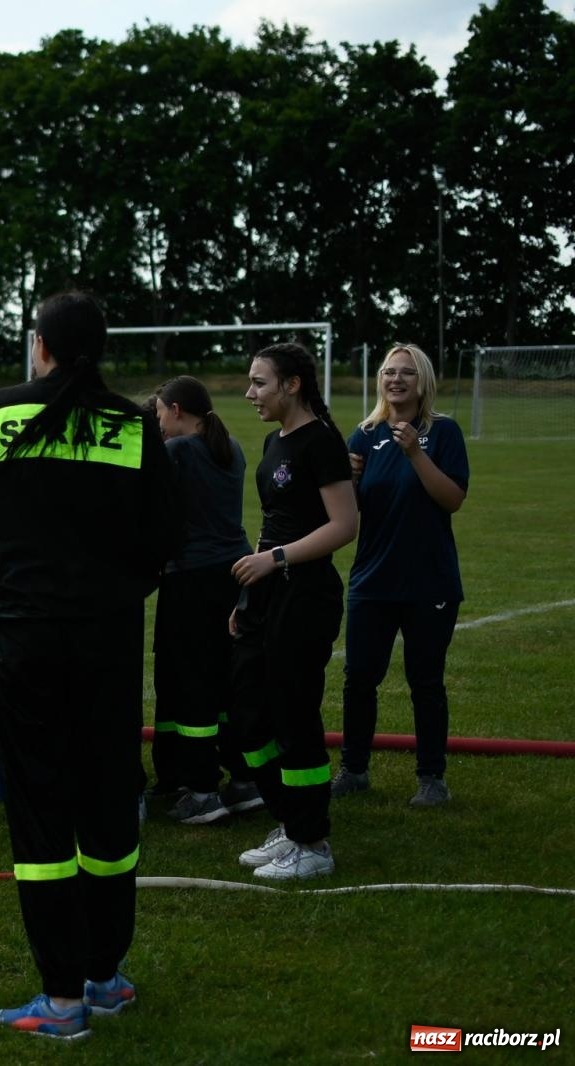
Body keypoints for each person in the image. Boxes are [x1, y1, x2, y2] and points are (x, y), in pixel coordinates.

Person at [0, 291, 181, 1040]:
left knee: (41, 811)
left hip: (24, 643)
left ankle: (60, 1000)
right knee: (109, 804)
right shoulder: (133, 423)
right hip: (108, 643)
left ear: (43, 347)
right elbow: (161, 541)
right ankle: (104, 976)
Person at [230, 342, 358, 881]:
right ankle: (288, 820)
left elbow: (343, 526)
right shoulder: (271, 441)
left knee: (294, 715)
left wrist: (275, 560)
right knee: (246, 710)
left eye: (260, 383)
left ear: (292, 385)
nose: (249, 393)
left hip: (306, 595)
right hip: (267, 593)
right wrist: (247, 597)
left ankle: (313, 842)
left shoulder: (322, 442)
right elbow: (273, 521)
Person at [334, 343, 468, 807]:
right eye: (389, 372)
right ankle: (353, 769)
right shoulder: (364, 435)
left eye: (406, 373)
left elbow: (452, 499)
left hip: (430, 581)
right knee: (359, 679)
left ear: (422, 381)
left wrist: (415, 453)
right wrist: (349, 481)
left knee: (425, 681)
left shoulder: (443, 432)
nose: (396, 380)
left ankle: (432, 778)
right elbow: (345, 519)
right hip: (372, 579)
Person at [149, 376, 261, 824]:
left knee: (188, 680)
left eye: (159, 413)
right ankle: (242, 779)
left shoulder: (177, 452)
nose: (157, 423)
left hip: (190, 580)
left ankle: (199, 790)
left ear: (176, 410)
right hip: (232, 576)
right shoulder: (230, 447)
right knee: (224, 680)